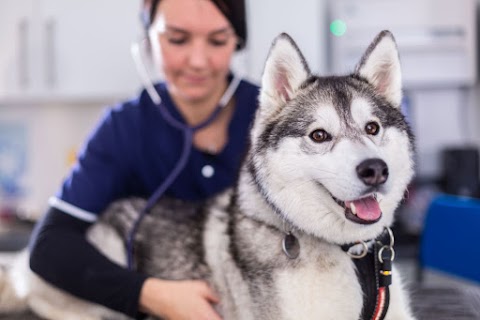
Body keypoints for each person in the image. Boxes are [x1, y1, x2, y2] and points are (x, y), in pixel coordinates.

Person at [28, 0, 259, 319]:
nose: (197, 61)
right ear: (147, 36)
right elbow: (49, 247)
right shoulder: (124, 127)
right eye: (177, 39)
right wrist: (152, 295)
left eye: (218, 41)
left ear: (238, 40)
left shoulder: (276, 119)